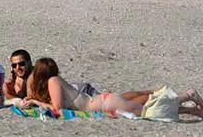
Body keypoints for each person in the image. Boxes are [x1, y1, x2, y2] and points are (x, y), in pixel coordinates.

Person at [24, 58, 203, 117]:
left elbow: (57, 108)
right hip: (104, 100)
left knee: (151, 111)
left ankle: (186, 96)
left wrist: (34, 101)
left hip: (106, 104)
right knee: (151, 109)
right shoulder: (55, 80)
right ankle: (193, 109)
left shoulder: (53, 81)